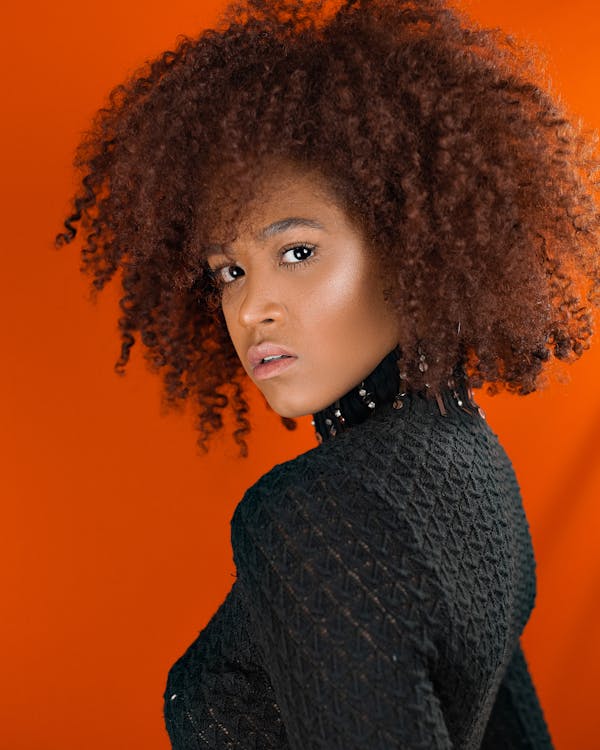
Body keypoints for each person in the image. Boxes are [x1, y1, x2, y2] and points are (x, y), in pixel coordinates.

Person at [54, 0, 600, 746]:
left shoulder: (315, 511)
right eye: (230, 272)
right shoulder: (473, 458)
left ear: (411, 245)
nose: (251, 309)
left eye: (298, 252)